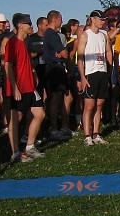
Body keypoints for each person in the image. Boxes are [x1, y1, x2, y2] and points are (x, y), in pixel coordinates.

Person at [4, 13, 45, 162]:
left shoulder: (24, 43)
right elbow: (8, 66)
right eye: (28, 24)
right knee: (16, 118)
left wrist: (33, 73)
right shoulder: (12, 43)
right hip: (19, 87)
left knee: (40, 114)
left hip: (30, 86)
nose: (31, 26)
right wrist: (15, 88)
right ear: (20, 26)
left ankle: (29, 146)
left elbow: (26, 62)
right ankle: (15, 153)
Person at [76, 10, 111, 145]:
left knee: (99, 104)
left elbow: (108, 51)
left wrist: (109, 68)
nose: (103, 22)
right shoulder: (85, 35)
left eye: (104, 19)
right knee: (89, 105)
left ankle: (96, 133)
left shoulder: (104, 34)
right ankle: (87, 135)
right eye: (100, 19)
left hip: (102, 72)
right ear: (93, 19)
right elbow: (80, 57)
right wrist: (83, 77)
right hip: (90, 73)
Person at [43, 10, 72, 140]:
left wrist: (60, 53)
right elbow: (65, 54)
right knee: (55, 98)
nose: (61, 22)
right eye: (60, 19)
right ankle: (54, 129)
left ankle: (64, 127)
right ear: (55, 19)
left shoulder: (49, 34)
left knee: (65, 97)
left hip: (57, 68)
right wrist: (62, 53)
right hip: (54, 68)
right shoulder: (52, 34)